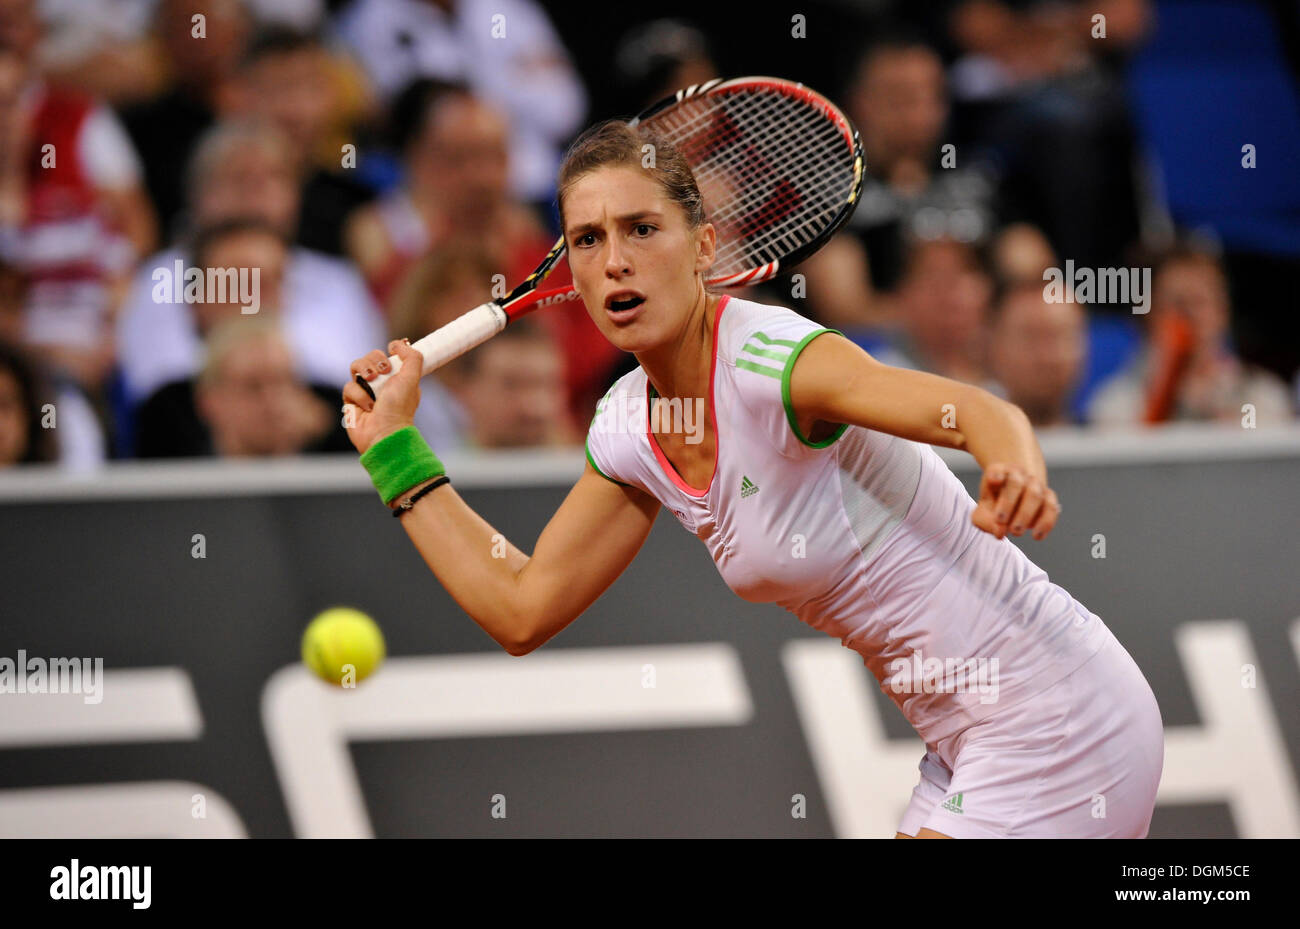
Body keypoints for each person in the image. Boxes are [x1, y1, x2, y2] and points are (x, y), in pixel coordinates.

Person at [341, 121, 1163, 838]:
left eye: (641, 228)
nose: (615, 261)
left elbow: (973, 411)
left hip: (1058, 715)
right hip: (965, 742)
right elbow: (520, 607)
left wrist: (1012, 463)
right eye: (588, 239)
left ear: (703, 246)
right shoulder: (629, 426)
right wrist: (394, 449)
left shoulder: (777, 362)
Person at [1087, 246, 1294, 427]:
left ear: (1223, 311)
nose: (1191, 315)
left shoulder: (1260, 397)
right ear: (1148, 315)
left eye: (1201, 302)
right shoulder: (1116, 406)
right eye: (1178, 304)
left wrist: (1240, 431)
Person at [987, 281, 1087, 428]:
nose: (1046, 357)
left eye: (1059, 336)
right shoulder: (955, 442)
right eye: (1030, 337)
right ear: (995, 345)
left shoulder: (1115, 437)